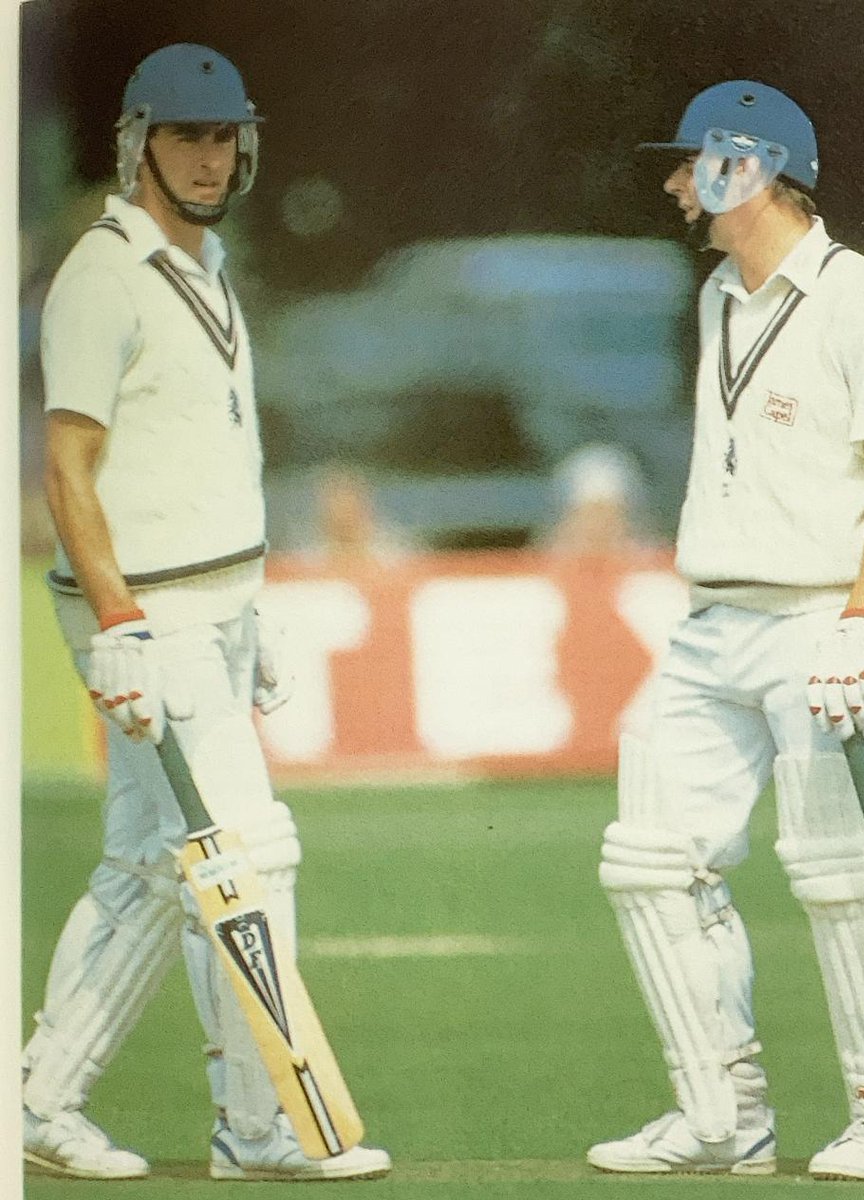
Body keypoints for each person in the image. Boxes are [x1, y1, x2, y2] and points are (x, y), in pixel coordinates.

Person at [21, 44, 391, 1182]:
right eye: (185, 136)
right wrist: (122, 627)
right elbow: (67, 469)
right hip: (151, 620)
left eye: (222, 136)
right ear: (139, 143)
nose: (206, 156)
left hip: (213, 608)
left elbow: (203, 457)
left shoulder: (210, 262)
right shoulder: (103, 273)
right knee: (249, 857)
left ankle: (38, 1102)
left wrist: (250, 606)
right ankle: (258, 1128)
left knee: (146, 866)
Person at [587, 80, 864, 1182]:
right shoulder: (717, 300)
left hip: (825, 623)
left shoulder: (856, 296)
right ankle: (717, 1115)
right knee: (647, 860)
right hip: (712, 622)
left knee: (836, 875)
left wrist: (856, 623)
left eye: (691, 161)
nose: (673, 183)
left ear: (749, 164)